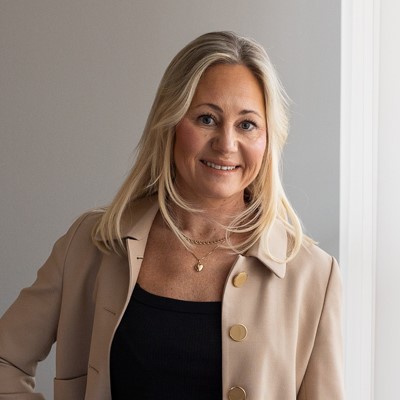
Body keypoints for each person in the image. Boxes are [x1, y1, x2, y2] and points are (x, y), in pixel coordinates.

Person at [0, 31, 344, 399]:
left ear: (268, 139)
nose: (226, 144)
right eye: (207, 119)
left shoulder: (313, 275)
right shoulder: (91, 243)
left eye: (247, 124)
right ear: (170, 124)